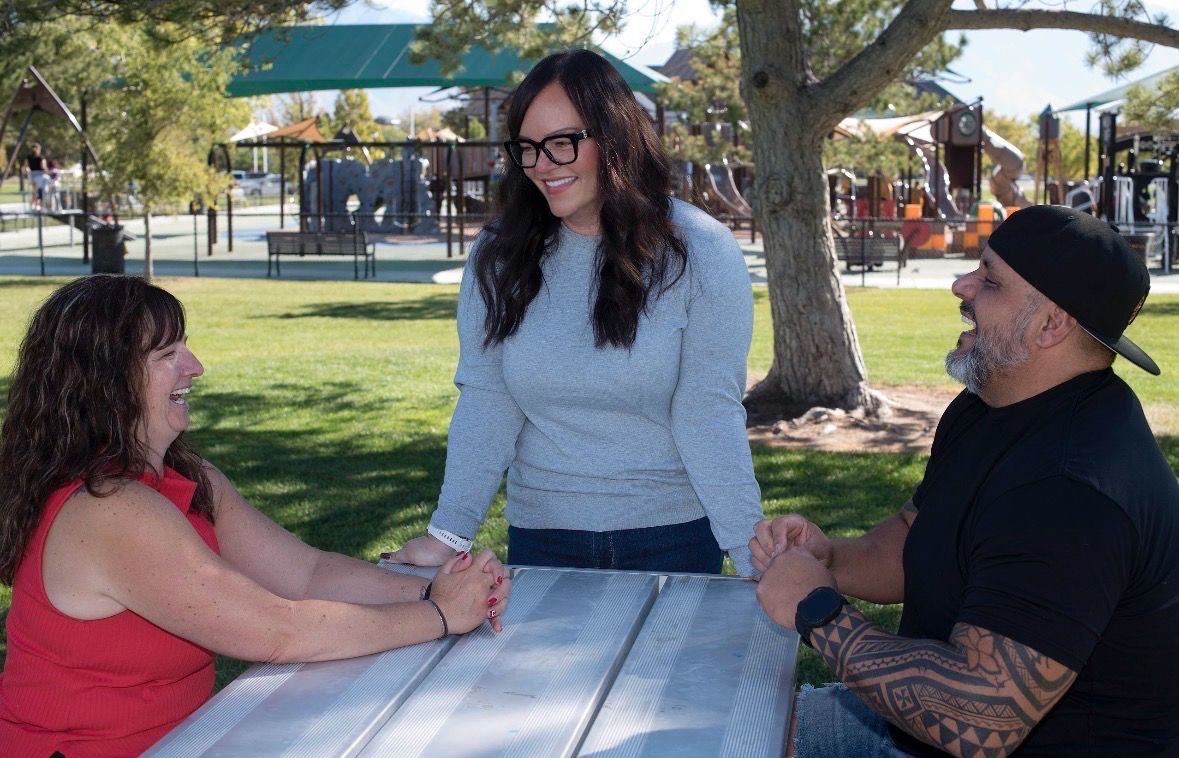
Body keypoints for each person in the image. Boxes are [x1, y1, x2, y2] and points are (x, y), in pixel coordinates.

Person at [0, 275, 512, 755]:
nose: (194, 366)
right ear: (106, 383)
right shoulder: (109, 510)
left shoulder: (185, 477)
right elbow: (278, 631)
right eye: (167, 354)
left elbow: (308, 573)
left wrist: (438, 589)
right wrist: (440, 616)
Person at [752, 205, 1179, 756]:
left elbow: (984, 717)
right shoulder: (990, 403)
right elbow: (918, 534)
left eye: (990, 281)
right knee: (724, 727)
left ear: (1052, 324)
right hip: (916, 731)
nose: (961, 284)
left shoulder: (1071, 488)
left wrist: (817, 613)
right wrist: (829, 557)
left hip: (981, 733)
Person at [384, 49, 763, 576]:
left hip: (672, 538)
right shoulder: (499, 254)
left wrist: (751, 556)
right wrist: (448, 535)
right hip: (542, 541)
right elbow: (488, 399)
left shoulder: (699, 250)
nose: (542, 166)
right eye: (528, 148)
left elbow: (708, 412)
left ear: (614, 137)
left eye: (562, 144)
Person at [23, 143, 48, 211]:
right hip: (39, 176)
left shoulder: (29, 157)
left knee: (34, 191)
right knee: (40, 191)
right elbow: (43, 167)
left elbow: (25, 166)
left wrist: (27, 172)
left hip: (32, 175)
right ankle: (39, 205)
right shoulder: (41, 158)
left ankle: (33, 205)